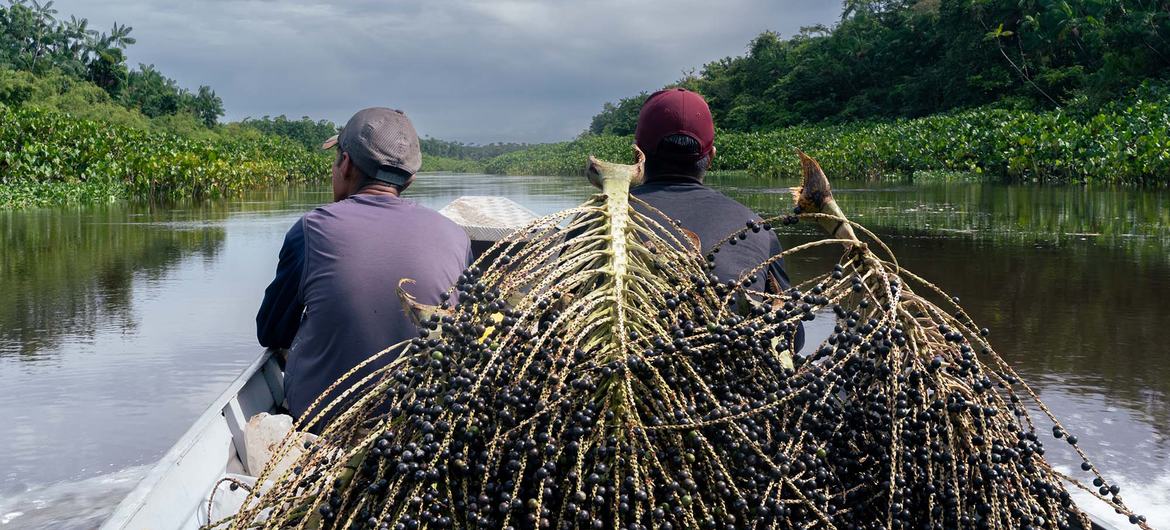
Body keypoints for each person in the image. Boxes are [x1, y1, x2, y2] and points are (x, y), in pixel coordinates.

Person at [256, 107, 471, 423]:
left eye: (336, 159)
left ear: (345, 164)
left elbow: (272, 332)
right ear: (410, 179)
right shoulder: (456, 235)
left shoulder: (312, 230)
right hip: (421, 425)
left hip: (323, 426)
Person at [631, 88, 803, 351]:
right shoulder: (757, 228)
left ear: (637, 155)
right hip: (728, 376)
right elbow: (792, 336)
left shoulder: (594, 220)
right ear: (710, 158)